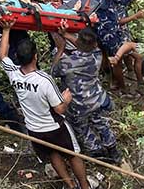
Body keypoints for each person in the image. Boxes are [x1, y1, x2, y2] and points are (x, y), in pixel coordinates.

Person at [0, 21, 92, 189]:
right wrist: (67, 99)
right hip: (54, 127)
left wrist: (6, 30)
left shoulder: (14, 73)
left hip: (34, 129)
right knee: (73, 154)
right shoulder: (44, 80)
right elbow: (59, 108)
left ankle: (71, 188)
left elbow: (2, 56)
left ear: (17, 57)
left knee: (53, 154)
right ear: (36, 56)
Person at [51, 28, 121, 167]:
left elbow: (53, 72)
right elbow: (86, 46)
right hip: (96, 100)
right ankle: (113, 150)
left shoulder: (67, 63)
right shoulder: (97, 55)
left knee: (83, 129)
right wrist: (67, 34)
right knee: (100, 123)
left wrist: (60, 48)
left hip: (78, 105)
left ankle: (97, 153)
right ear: (94, 44)